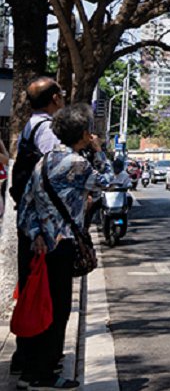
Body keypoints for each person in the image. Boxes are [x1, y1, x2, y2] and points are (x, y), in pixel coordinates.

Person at [17, 103, 111, 389]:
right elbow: (108, 180)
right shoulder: (78, 164)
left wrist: (36, 235)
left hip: (41, 247)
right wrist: (99, 151)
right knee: (57, 310)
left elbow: (25, 207)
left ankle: (31, 368)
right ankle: (46, 373)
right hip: (63, 246)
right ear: (84, 133)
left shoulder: (43, 161)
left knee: (39, 305)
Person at [9, 77, 65, 380]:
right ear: (55, 98)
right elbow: (55, 174)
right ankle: (39, 368)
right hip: (41, 228)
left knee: (34, 292)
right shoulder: (45, 130)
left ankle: (27, 356)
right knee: (45, 297)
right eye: (63, 94)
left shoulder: (32, 126)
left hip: (32, 224)